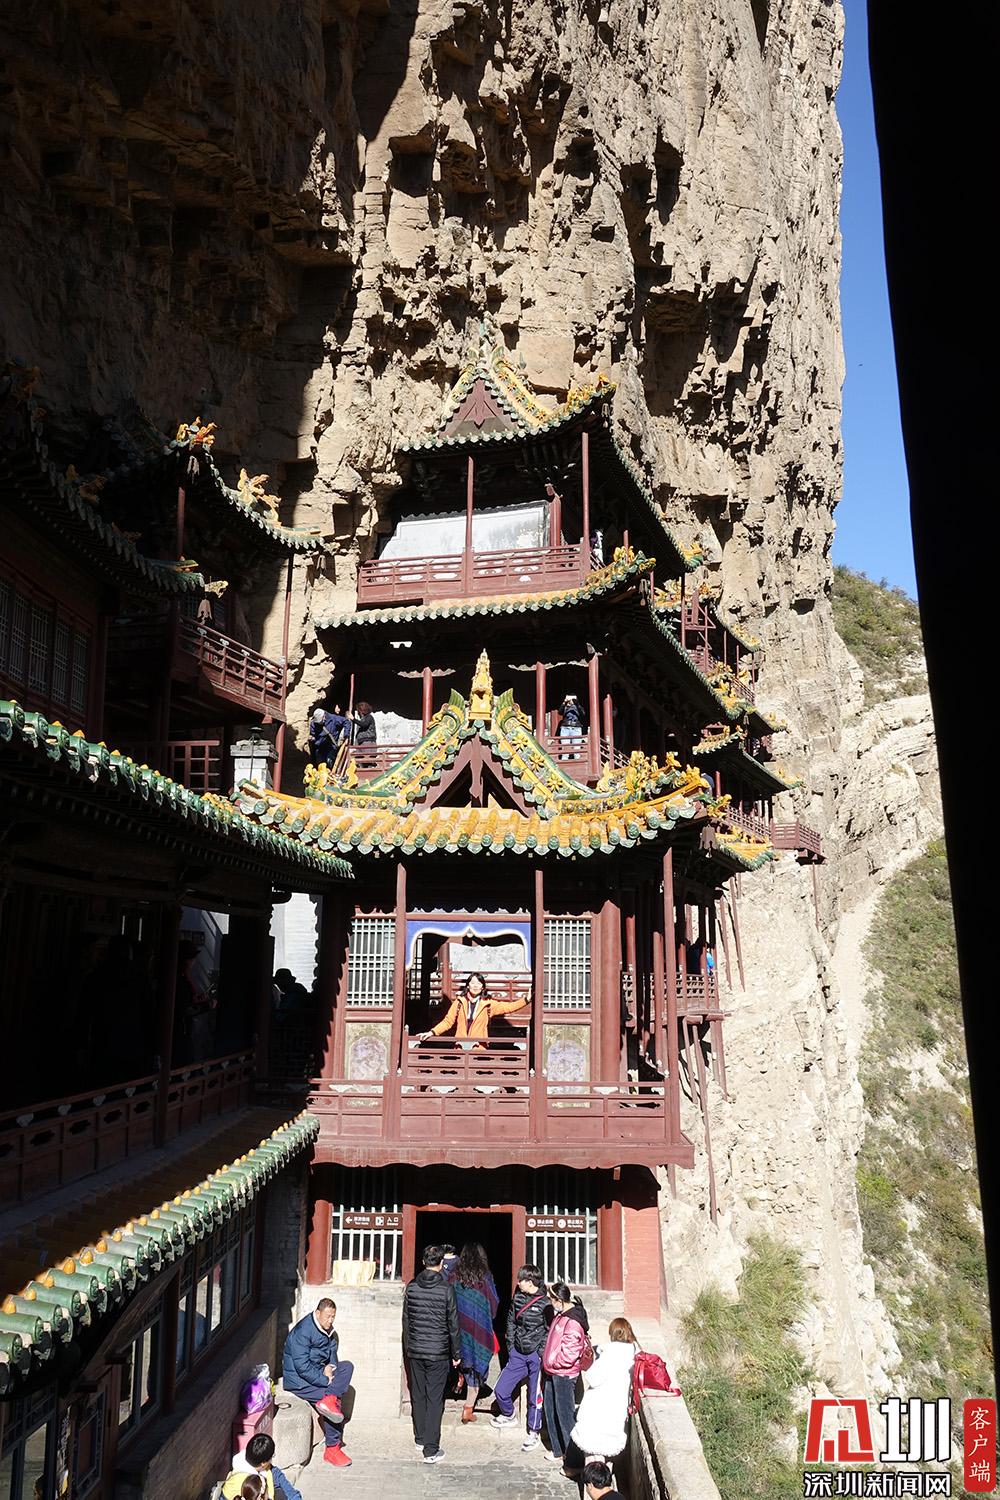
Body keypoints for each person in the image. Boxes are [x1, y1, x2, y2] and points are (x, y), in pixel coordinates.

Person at [402, 1244, 461, 1464]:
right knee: (435, 1399)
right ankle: (431, 1449)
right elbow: (453, 1324)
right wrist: (456, 1353)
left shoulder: (412, 1287)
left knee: (418, 1394)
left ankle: (420, 1438)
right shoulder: (446, 1289)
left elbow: (406, 1321)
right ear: (441, 1263)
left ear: (423, 1262)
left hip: (416, 1350)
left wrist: (409, 1347)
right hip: (438, 1351)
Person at [281, 1298, 353, 1468]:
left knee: (347, 1367)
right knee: (334, 1405)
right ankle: (332, 1449)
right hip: (299, 1380)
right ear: (318, 1313)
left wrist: (330, 1367)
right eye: (328, 1316)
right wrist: (325, 1380)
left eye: (333, 1316)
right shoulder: (303, 1332)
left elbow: (332, 1356)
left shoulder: (329, 1331)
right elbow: (302, 1367)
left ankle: (329, 1399)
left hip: (319, 1372)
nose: (330, 1320)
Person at [490, 1263, 547, 1450]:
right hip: (518, 1353)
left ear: (530, 1282)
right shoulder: (518, 1299)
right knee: (501, 1389)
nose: (518, 1283)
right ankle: (509, 1414)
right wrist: (511, 1346)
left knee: (534, 1396)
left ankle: (534, 1432)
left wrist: (540, 1352)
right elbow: (511, 1322)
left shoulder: (545, 1302)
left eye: (521, 1280)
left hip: (535, 1355)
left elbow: (549, 1330)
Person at [569, 1317, 638, 1466]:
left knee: (593, 1455)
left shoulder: (609, 1354)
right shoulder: (632, 1354)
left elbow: (593, 1378)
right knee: (606, 1457)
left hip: (599, 1409)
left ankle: (591, 1479)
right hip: (616, 1409)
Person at [446, 1242, 499, 1424]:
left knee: (461, 1359)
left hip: (458, 1328)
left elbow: (447, 1302)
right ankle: (468, 1408)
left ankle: (459, 1379)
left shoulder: (454, 1277)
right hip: (479, 1330)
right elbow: (494, 1304)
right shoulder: (485, 1278)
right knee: (477, 1366)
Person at [541, 1282, 591, 1469]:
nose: (550, 1303)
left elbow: (570, 1354)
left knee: (565, 1416)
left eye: (552, 1299)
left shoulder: (573, 1322)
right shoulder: (561, 1316)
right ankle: (558, 1450)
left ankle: (574, 1461)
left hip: (563, 1373)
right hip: (553, 1371)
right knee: (551, 1410)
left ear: (559, 1300)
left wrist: (553, 1362)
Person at [415, 972, 526, 1043]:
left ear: (483, 987)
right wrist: (432, 1032)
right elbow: (447, 1022)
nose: (475, 986)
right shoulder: (459, 1002)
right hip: (461, 1047)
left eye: (479, 984)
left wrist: (526, 1000)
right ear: (468, 986)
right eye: (472, 983)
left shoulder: (488, 1004)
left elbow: (509, 1007)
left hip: (479, 1048)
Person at [221, 1434, 301, 1500]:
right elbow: (292, 1494)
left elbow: (291, 1492)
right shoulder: (250, 1483)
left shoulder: (270, 1472)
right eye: (272, 1456)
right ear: (263, 1463)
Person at [557, 694, 587, 759]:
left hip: (576, 727)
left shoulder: (578, 706)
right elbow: (559, 712)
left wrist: (577, 704)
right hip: (565, 728)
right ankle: (564, 762)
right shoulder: (565, 706)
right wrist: (564, 702)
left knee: (577, 749)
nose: (571, 701)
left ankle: (577, 762)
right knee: (565, 749)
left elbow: (583, 713)